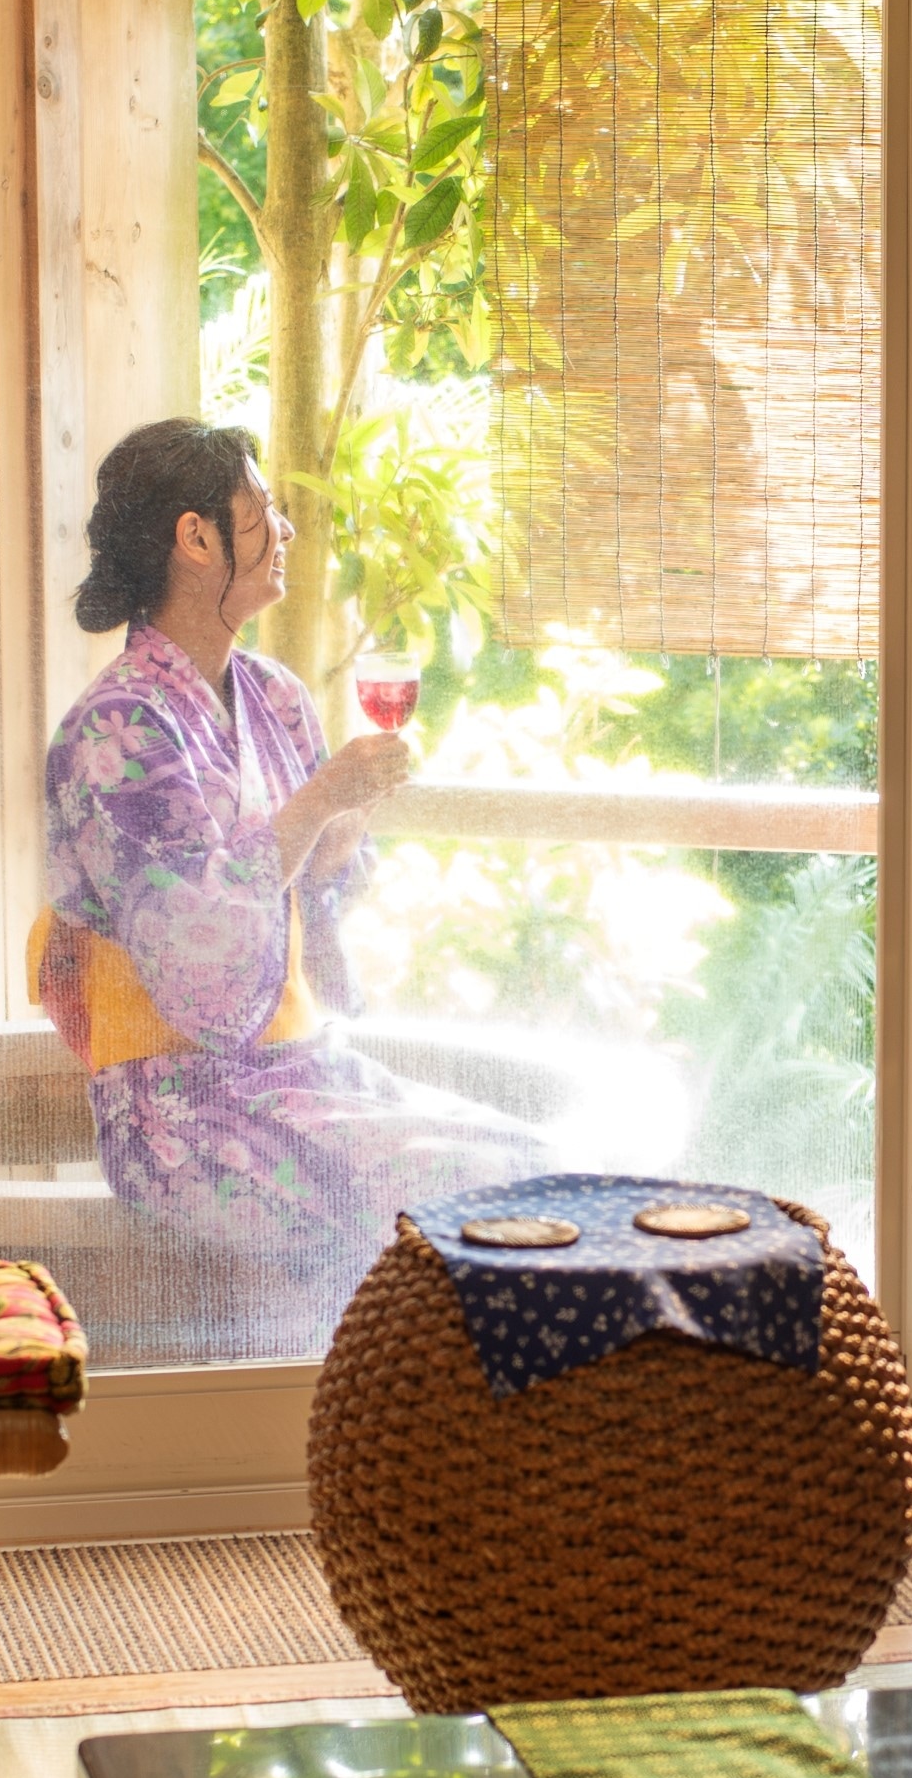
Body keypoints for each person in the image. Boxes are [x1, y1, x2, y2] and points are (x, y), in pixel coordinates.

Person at [44, 419, 544, 1345]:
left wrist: (344, 829)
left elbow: (307, 896)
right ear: (197, 539)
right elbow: (195, 940)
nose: (286, 529)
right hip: (179, 1106)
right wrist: (320, 803)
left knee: (525, 1160)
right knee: (457, 1190)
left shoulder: (273, 695)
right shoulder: (113, 733)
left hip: (299, 1069)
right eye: (264, 510)